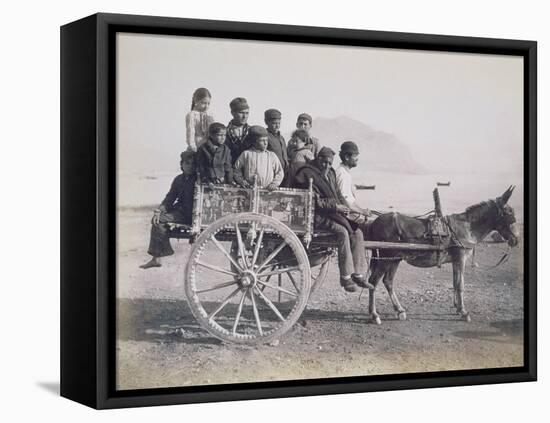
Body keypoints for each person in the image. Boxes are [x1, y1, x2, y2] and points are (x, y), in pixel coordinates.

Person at [293, 147, 372, 292]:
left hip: (331, 213)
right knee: (342, 231)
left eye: (330, 163)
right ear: (318, 159)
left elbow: (338, 195)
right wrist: (337, 207)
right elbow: (315, 201)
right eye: (324, 162)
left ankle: (358, 273)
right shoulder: (307, 173)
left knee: (357, 231)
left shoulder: (331, 173)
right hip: (315, 215)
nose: (327, 166)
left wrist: (346, 207)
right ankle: (345, 277)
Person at [140, 151, 197, 269]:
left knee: (159, 220)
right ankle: (157, 257)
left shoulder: (198, 180)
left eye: (192, 164)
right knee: (157, 219)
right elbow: (170, 197)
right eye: (187, 163)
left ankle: (158, 256)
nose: (190, 166)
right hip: (180, 212)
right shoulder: (178, 179)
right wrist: (159, 210)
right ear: (181, 165)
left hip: (191, 214)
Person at [233, 125, 284, 190]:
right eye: (262, 140)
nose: (265, 143)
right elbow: (236, 169)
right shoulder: (246, 154)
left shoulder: (271, 156)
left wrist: (274, 183)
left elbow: (279, 172)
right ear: (254, 142)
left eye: (266, 140)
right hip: (249, 189)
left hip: (267, 190)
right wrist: (241, 181)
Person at [334, 141, 370, 220]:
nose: (357, 159)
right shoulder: (342, 174)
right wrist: (363, 212)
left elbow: (351, 202)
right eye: (355, 156)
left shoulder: (345, 173)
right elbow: (345, 203)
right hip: (344, 216)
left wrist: (362, 210)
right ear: (347, 157)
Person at [264, 108, 289, 185]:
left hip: (284, 175)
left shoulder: (281, 138)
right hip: (271, 175)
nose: (277, 126)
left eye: (279, 123)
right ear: (266, 122)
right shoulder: (265, 137)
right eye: (274, 123)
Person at [225, 97, 251, 165]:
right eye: (241, 113)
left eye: (247, 113)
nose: (244, 116)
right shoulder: (224, 132)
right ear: (232, 113)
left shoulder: (252, 131)